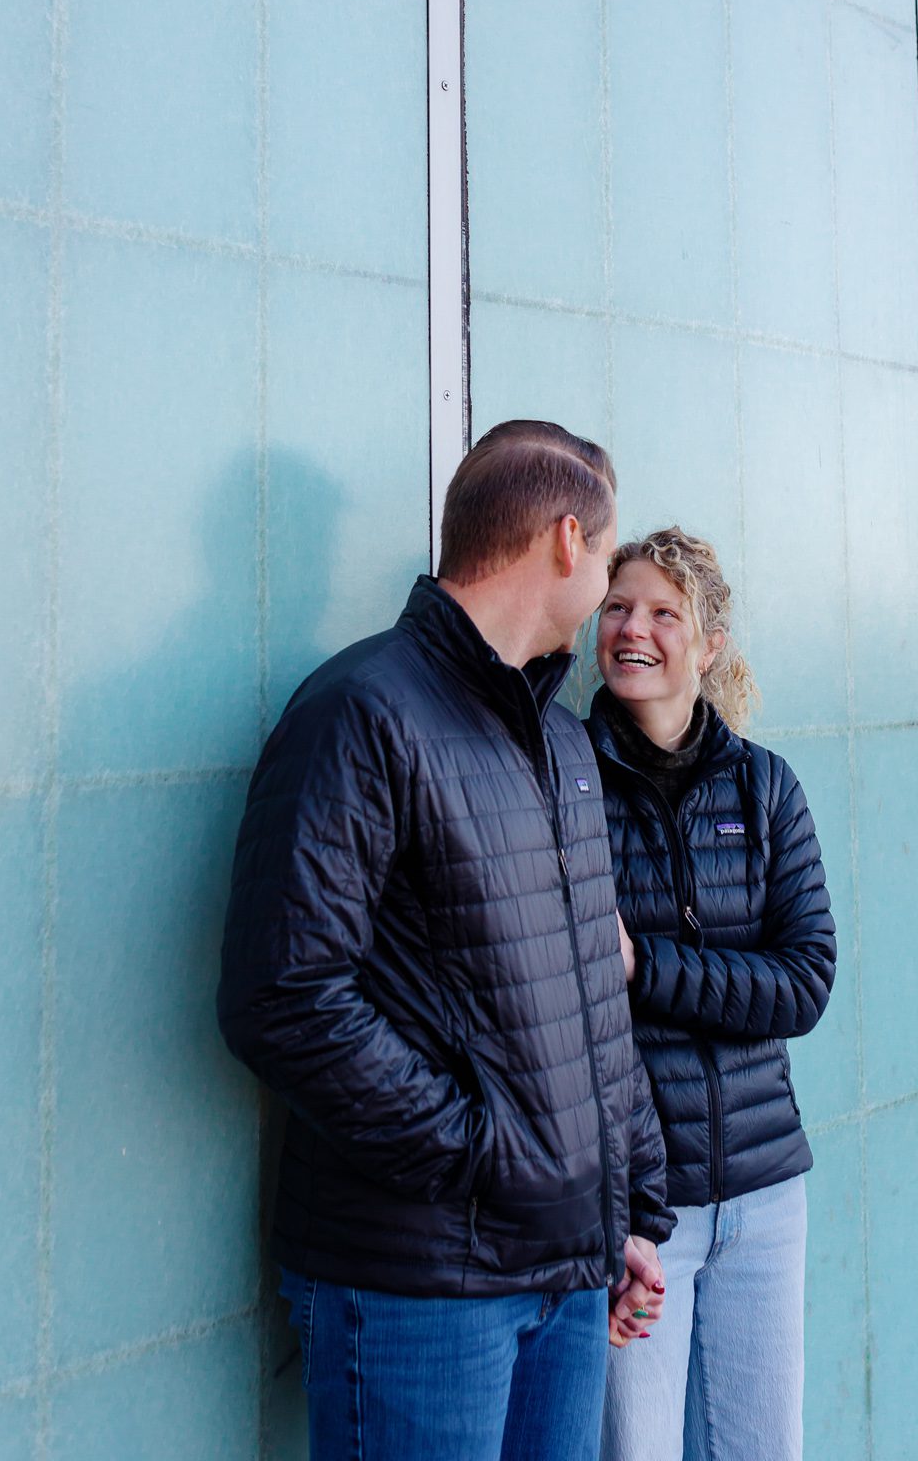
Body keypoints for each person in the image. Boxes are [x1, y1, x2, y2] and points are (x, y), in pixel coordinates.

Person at [217, 421, 673, 1461]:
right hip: (420, 1287)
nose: (607, 584)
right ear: (567, 539)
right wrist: (485, 1152)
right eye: (607, 554)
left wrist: (622, 1204)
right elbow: (283, 996)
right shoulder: (361, 711)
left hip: (566, 1272)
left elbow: (586, 991)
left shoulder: (561, 738)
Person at [588, 527, 836, 1461]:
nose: (632, 629)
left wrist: (644, 968)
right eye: (616, 607)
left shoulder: (765, 787)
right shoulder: (566, 782)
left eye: (663, 613)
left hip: (765, 1193)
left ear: (708, 645)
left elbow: (802, 984)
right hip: (642, 1208)